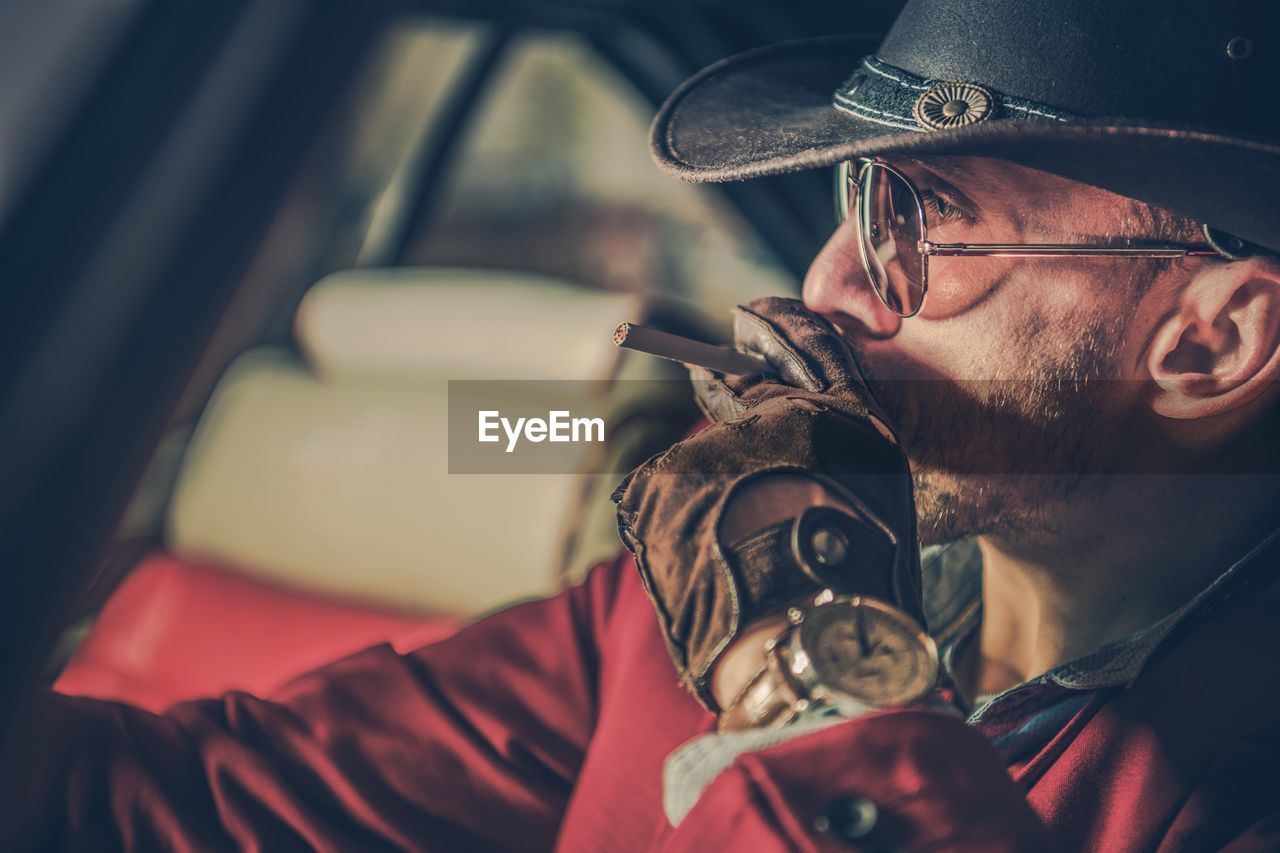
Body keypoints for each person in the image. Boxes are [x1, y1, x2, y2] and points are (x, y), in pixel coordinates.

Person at [5, 0, 1280, 849]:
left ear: (1211, 339)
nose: (824, 284)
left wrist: (801, 636)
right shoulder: (681, 600)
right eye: (851, 198)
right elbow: (175, 805)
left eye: (918, 221)